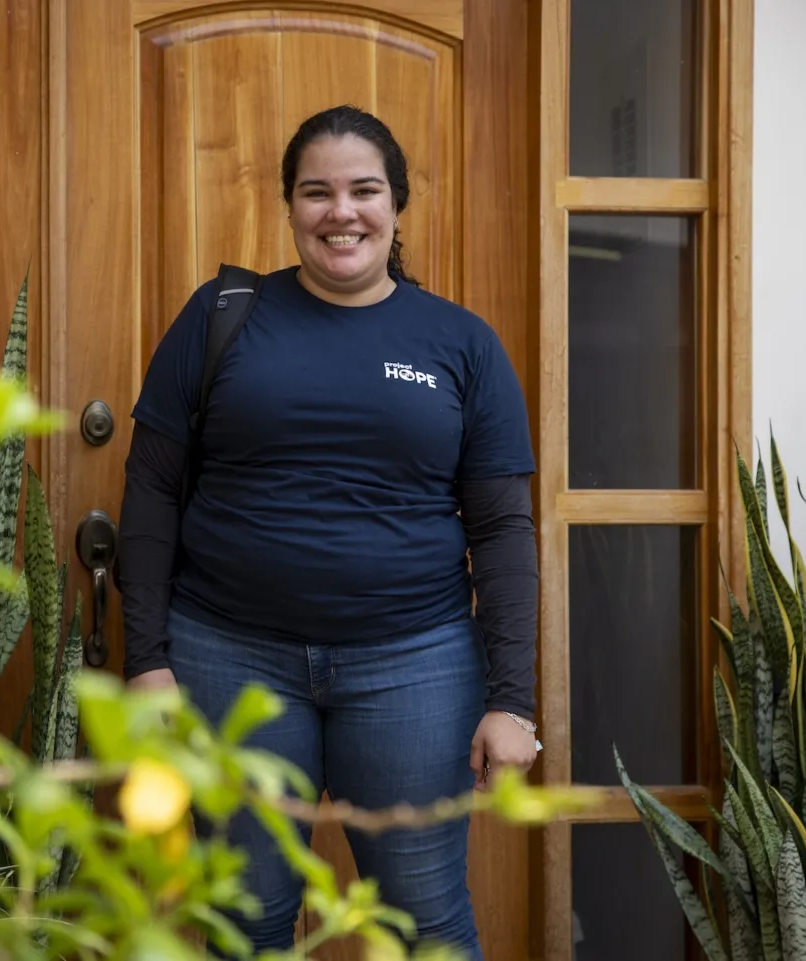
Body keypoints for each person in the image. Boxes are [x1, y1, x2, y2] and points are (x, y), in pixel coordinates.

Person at [116, 104, 540, 959]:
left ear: (397, 204)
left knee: (424, 919)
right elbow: (152, 490)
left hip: (414, 668)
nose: (340, 211)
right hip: (228, 658)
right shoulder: (224, 313)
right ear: (289, 206)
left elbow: (501, 529)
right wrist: (147, 659)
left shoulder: (461, 343)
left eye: (363, 189)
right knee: (245, 917)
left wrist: (512, 699)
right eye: (317, 191)